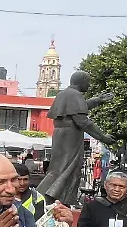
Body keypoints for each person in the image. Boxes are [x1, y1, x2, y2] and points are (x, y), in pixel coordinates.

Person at [37, 71, 116, 207]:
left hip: (61, 134)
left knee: (58, 167)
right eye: (88, 82)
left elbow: (78, 107)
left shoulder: (63, 94)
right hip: (71, 135)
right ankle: (59, 198)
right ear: (82, 81)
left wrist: (98, 100)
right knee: (70, 166)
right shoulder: (75, 95)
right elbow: (83, 121)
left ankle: (47, 194)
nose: (89, 85)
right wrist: (103, 137)